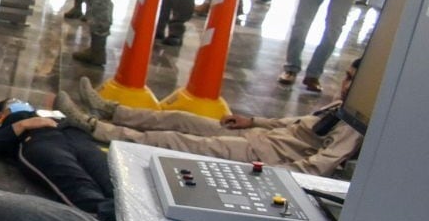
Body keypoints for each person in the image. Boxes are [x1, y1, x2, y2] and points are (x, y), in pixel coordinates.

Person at [61, 61, 362, 177]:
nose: (347, 85)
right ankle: (111, 110)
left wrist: (271, 175)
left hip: (263, 155)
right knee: (180, 118)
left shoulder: (354, 126)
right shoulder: (341, 106)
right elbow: (293, 124)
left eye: (354, 81)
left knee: (176, 140)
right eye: (347, 77)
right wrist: (253, 121)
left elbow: (317, 167)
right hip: (256, 136)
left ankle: (95, 128)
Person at [0, 99, 115, 221]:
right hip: (40, 140)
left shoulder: (47, 114)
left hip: (75, 137)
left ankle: (122, 211)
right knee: (79, 185)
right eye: (13, 101)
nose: (22, 103)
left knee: (112, 179)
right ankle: (109, 217)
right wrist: (23, 124)